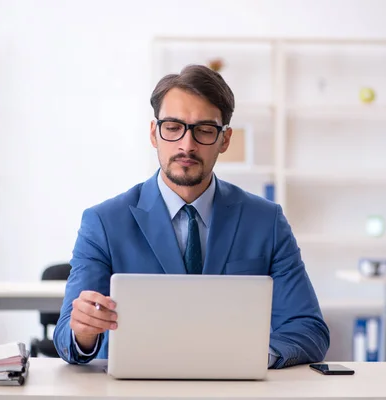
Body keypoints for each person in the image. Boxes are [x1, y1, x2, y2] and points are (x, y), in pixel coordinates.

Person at [53, 64, 330, 369]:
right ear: (154, 134)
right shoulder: (103, 223)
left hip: (233, 391)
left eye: (204, 131)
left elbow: (308, 329)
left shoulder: (266, 222)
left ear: (224, 139)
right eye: (173, 127)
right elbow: (67, 337)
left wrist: (249, 358)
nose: (187, 145)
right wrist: (84, 332)